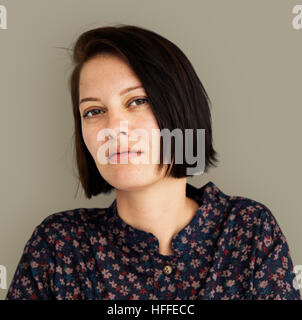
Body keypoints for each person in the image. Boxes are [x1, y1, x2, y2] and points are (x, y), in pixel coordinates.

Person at [5, 24, 301, 300]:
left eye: (137, 101)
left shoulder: (249, 231)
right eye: (94, 111)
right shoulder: (58, 245)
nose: (114, 128)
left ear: (181, 110)